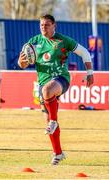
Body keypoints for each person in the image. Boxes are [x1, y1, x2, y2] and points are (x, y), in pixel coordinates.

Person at [18, 14, 94, 165]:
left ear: (54, 26)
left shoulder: (63, 40)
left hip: (61, 79)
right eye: (41, 25)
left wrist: (90, 73)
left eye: (47, 25)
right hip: (42, 83)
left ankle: (53, 121)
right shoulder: (34, 42)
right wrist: (22, 62)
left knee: (48, 93)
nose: (43, 28)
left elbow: (84, 52)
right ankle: (58, 153)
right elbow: (23, 64)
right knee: (47, 115)